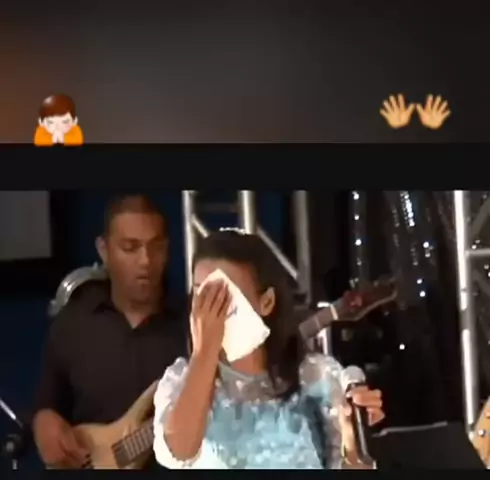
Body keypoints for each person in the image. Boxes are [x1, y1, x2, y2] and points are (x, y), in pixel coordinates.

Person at [153, 230, 384, 469]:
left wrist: (353, 446)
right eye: (202, 295)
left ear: (267, 302)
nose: (211, 312)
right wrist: (205, 351)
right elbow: (179, 451)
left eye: (224, 296)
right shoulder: (180, 380)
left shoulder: (317, 376)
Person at [33, 194, 187, 469]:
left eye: (156, 247)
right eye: (130, 247)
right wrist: (43, 423)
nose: (145, 261)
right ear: (104, 250)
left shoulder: (194, 325)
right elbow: (49, 402)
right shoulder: (73, 324)